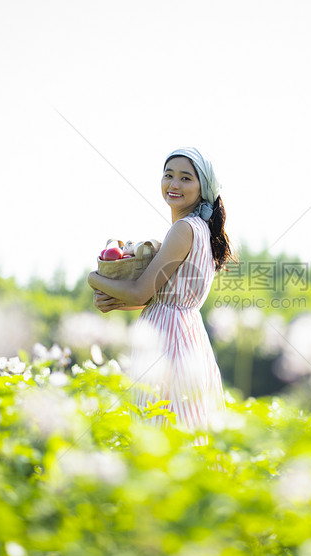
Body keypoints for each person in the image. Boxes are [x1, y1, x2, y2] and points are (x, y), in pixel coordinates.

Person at [87, 147, 234, 430]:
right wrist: (117, 301)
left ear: (202, 188)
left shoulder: (183, 230)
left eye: (185, 178)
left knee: (160, 428)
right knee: (185, 426)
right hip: (186, 335)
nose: (174, 184)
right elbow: (162, 297)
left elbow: (142, 292)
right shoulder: (200, 229)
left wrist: (94, 278)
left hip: (168, 341)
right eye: (168, 175)